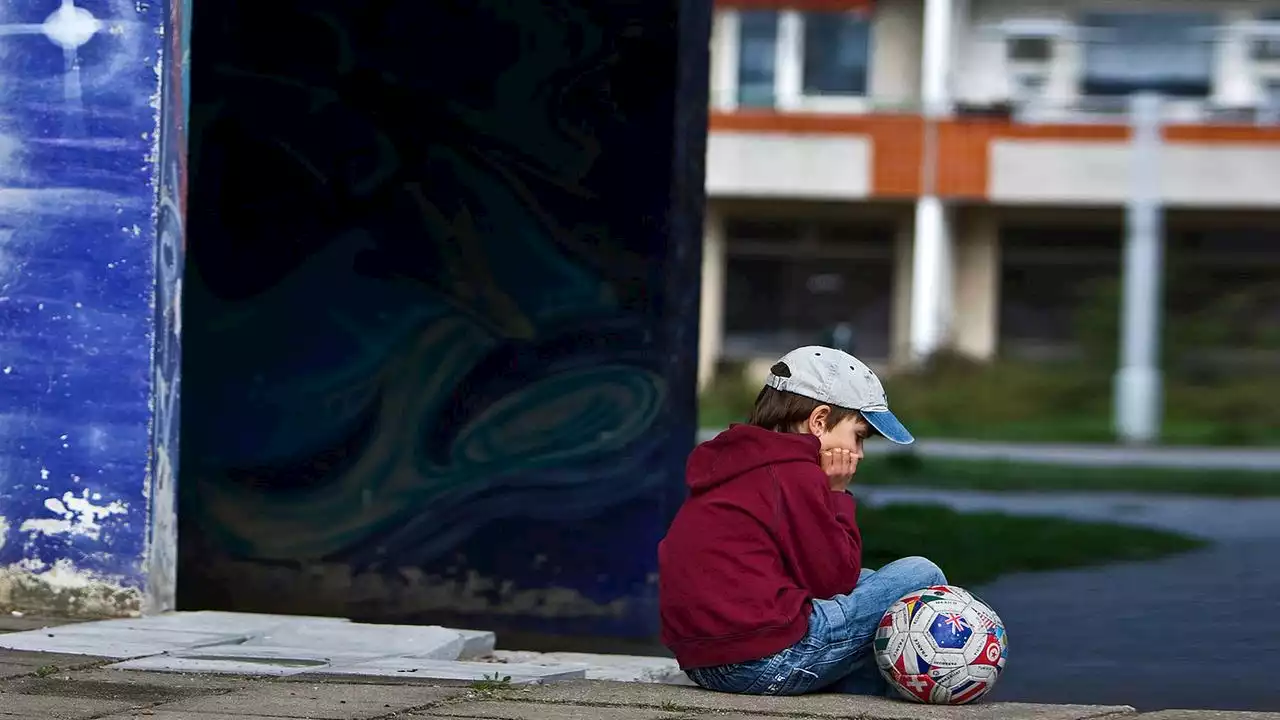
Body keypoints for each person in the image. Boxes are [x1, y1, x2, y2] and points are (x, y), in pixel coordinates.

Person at [658, 346, 946, 697]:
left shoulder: (739, 462)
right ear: (819, 421)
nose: (860, 453)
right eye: (858, 436)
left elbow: (809, 572)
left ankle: (865, 689)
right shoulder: (794, 473)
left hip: (707, 662)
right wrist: (837, 493)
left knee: (870, 582)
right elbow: (832, 582)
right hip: (764, 658)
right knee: (920, 575)